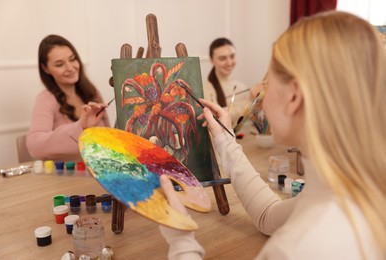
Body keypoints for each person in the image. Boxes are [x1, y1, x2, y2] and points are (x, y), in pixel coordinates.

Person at [159, 11, 386, 259]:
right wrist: (225, 138)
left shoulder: (301, 246)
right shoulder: (351, 187)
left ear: (294, 96)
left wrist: (182, 241)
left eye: (267, 86)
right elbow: (268, 215)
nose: (262, 101)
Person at [26, 35, 111, 161]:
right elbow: (35, 146)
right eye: (60, 64)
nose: (70, 68)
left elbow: (109, 138)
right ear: (46, 68)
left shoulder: (92, 92)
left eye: (72, 59)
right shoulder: (46, 100)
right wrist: (80, 126)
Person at [203, 37, 249, 123]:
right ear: (212, 60)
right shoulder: (205, 88)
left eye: (232, 56)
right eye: (222, 58)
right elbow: (217, 118)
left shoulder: (242, 87)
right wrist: (249, 101)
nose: (229, 62)